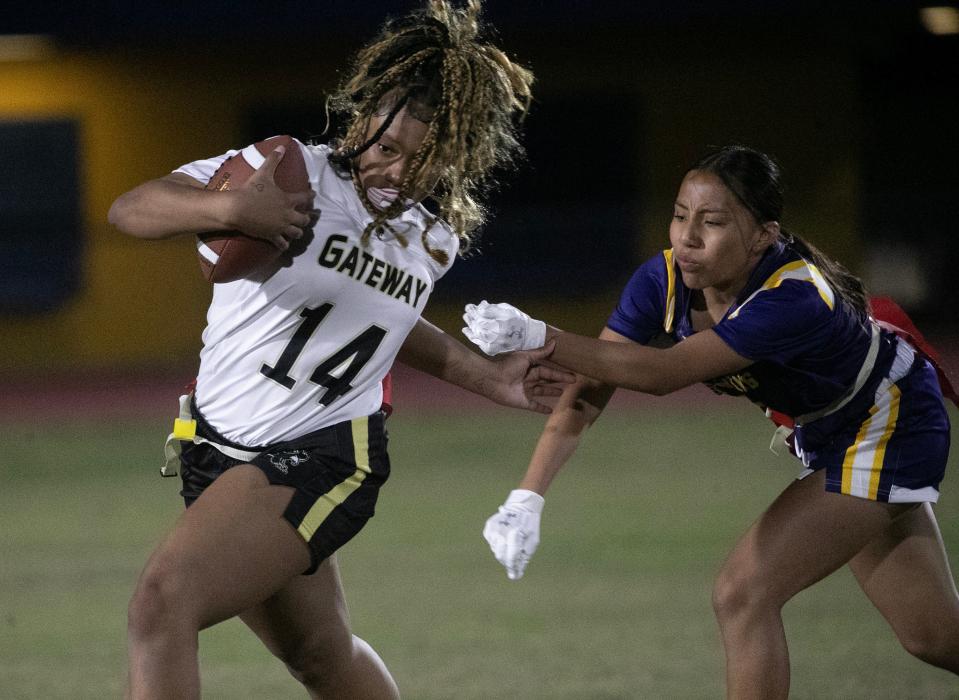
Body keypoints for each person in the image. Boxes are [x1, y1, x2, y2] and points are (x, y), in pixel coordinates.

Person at [108, 2, 572, 698]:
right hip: (218, 447)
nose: (394, 171)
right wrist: (227, 210)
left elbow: (383, 321)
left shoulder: (430, 238)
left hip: (325, 455)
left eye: (420, 161)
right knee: (321, 655)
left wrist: (489, 379)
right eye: (386, 148)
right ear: (360, 124)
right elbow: (133, 208)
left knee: (160, 601)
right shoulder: (290, 171)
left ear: (451, 162)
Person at [463, 144, 959, 698]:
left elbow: (662, 374)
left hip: (890, 422)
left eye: (713, 221)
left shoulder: (792, 296)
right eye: (680, 214)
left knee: (742, 594)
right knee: (934, 637)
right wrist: (526, 498)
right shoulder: (664, 279)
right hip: (836, 430)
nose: (687, 237)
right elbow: (589, 388)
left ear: (764, 236)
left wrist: (540, 337)